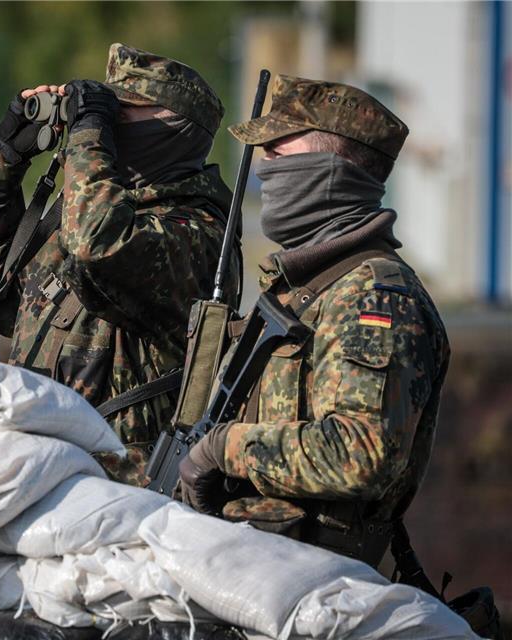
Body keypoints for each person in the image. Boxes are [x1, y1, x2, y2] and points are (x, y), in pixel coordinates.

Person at [0, 44, 240, 485]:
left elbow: (98, 243)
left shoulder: (196, 232)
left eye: (123, 110)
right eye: (105, 110)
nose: (109, 124)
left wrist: (88, 135)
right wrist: (6, 156)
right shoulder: (87, 212)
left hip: (119, 484)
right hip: (39, 464)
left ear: (173, 128)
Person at [178, 74, 450, 569]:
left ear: (329, 169)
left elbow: (360, 453)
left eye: (278, 154)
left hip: (314, 579)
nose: (265, 169)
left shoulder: (373, 297)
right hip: (256, 564)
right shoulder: (305, 287)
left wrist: (225, 448)